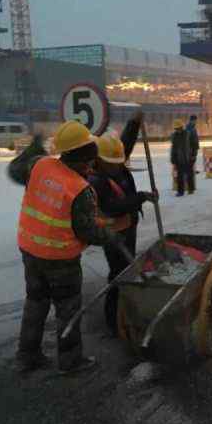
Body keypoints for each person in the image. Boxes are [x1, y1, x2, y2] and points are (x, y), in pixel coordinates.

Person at [8, 120, 121, 375]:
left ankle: (27, 356)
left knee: (35, 302)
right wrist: (110, 235)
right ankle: (70, 362)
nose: (92, 165)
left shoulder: (40, 164)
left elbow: (15, 170)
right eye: (90, 160)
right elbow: (88, 231)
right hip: (60, 260)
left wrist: (33, 147)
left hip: (30, 251)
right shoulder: (80, 189)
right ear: (83, 158)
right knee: (68, 309)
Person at [88, 113, 158, 335]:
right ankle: (113, 320)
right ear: (100, 160)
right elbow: (113, 207)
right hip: (113, 235)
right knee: (118, 275)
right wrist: (141, 197)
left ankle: (124, 311)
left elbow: (123, 147)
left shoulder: (113, 163)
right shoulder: (96, 180)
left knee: (126, 272)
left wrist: (134, 123)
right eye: (114, 164)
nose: (119, 166)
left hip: (127, 227)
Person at [171, 119, 198, 196]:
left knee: (189, 175)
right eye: (176, 129)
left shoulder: (188, 134)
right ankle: (180, 191)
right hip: (179, 160)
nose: (177, 130)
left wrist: (193, 155)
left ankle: (191, 189)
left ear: (182, 127)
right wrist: (173, 158)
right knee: (180, 176)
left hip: (188, 158)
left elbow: (194, 146)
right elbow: (174, 148)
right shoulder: (174, 136)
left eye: (179, 128)